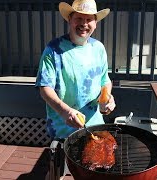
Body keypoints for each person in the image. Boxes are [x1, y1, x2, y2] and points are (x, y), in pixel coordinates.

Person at [35, 0, 116, 139]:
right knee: (64, 160)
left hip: (95, 126)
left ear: (95, 24)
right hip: (63, 129)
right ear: (69, 20)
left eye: (89, 19)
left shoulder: (98, 48)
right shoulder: (53, 49)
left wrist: (108, 98)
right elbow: (44, 88)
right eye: (79, 18)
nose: (84, 24)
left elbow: (105, 80)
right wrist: (65, 111)